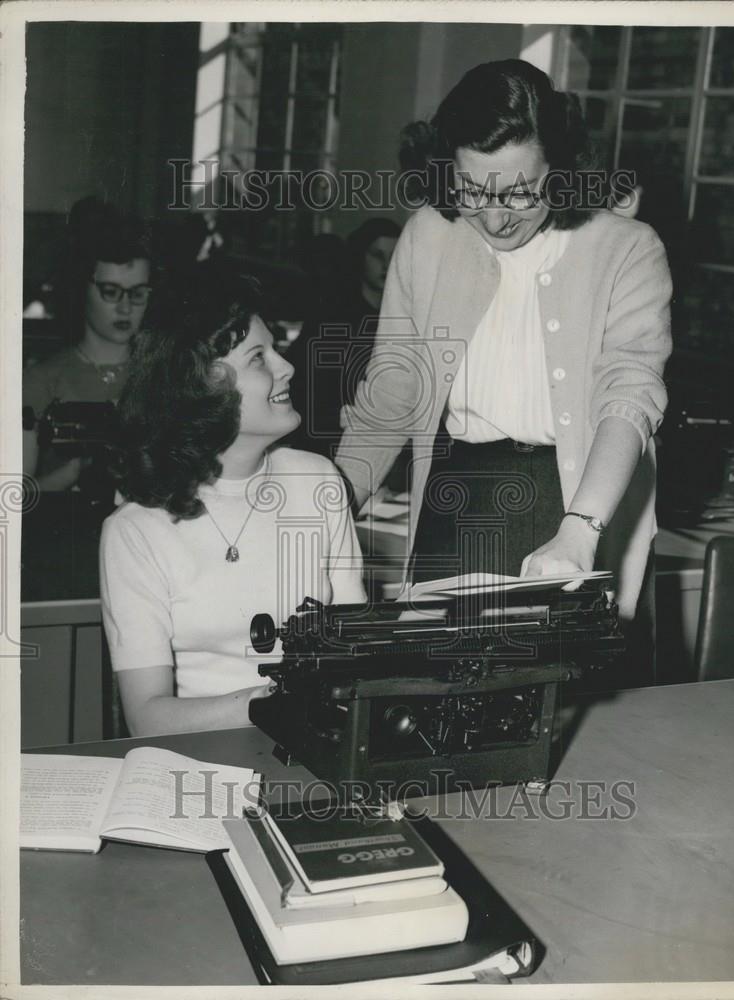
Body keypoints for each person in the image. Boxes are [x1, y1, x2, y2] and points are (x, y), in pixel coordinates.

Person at [336, 60, 673, 675]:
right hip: (455, 499)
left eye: (520, 191)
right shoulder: (427, 238)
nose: (493, 218)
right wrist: (333, 498)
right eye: (471, 190)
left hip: (572, 499)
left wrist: (581, 528)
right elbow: (396, 387)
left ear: (563, 169)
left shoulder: (628, 249)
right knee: (430, 706)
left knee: (565, 707)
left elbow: (627, 398)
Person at [100, 269, 366, 737]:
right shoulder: (135, 529)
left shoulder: (318, 479)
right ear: (205, 385)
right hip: (201, 758)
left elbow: (355, 650)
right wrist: (273, 701)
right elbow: (147, 717)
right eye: (260, 358)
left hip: (318, 745)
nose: (287, 367)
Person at [22, 207, 152, 492]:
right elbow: (11, 500)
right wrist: (68, 477)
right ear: (80, 288)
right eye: (111, 291)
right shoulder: (39, 382)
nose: (126, 306)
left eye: (138, 292)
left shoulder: (163, 378)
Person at [287, 219, 400, 458]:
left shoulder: (404, 318)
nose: (387, 265)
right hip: (329, 442)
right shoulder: (333, 317)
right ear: (361, 257)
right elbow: (310, 392)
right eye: (377, 255)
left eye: (394, 256)